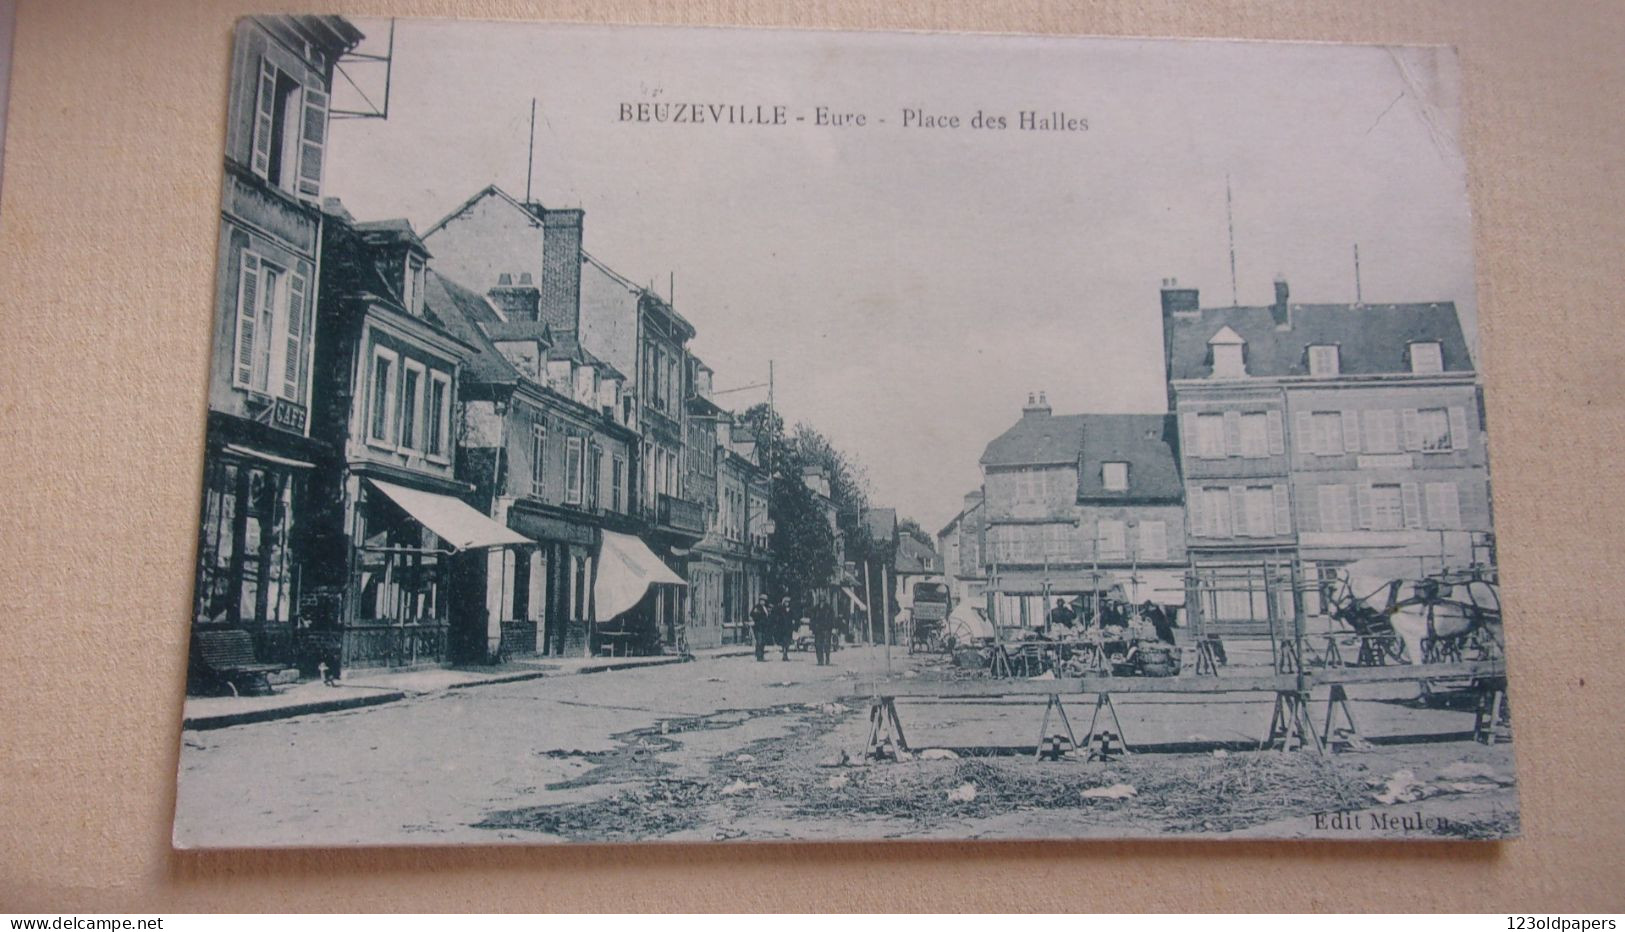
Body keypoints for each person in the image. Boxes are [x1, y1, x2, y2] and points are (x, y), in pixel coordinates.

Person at [810, 599, 840, 666]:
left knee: (827, 645)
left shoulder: (829, 609)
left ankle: (827, 659)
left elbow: (832, 619)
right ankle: (820, 660)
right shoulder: (815, 609)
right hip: (818, 630)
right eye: (821, 601)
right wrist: (812, 628)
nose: (822, 602)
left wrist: (833, 627)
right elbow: (812, 619)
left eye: (823, 601)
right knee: (818, 645)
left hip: (827, 629)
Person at [749, 595, 772, 662]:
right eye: (761, 600)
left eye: (764, 601)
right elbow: (752, 615)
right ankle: (759, 656)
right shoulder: (757, 607)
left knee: (763, 642)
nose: (763, 602)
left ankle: (761, 655)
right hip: (758, 627)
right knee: (759, 641)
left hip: (764, 628)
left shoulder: (765, 608)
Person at [773, 596, 795, 661]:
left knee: (788, 641)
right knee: (783, 642)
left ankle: (786, 653)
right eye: (786, 602)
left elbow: (793, 618)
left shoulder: (791, 610)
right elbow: (777, 618)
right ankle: (784, 654)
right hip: (782, 628)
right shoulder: (780, 609)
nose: (787, 603)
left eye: (788, 602)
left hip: (789, 628)